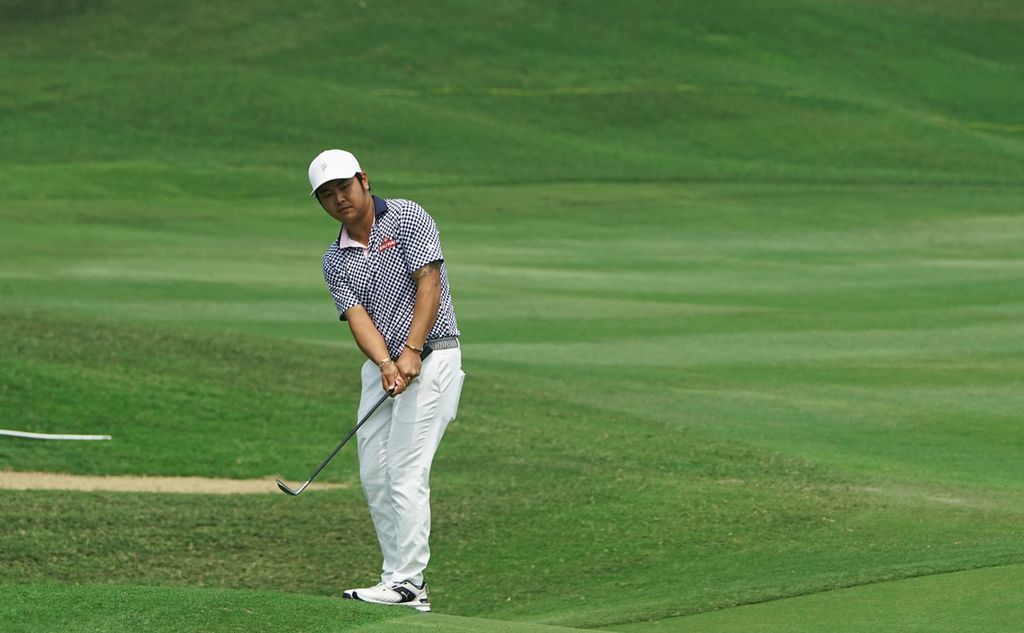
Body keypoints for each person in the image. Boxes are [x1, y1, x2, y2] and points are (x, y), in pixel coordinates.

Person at [308, 149, 465, 613]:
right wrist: (385, 363)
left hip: (434, 357)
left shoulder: (407, 216)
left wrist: (413, 351)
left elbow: (429, 283)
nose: (339, 200)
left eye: (344, 188)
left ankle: (408, 580)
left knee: (405, 471)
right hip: (386, 368)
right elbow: (357, 317)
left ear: (364, 180)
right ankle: (398, 581)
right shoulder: (334, 258)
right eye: (327, 195)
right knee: (375, 475)